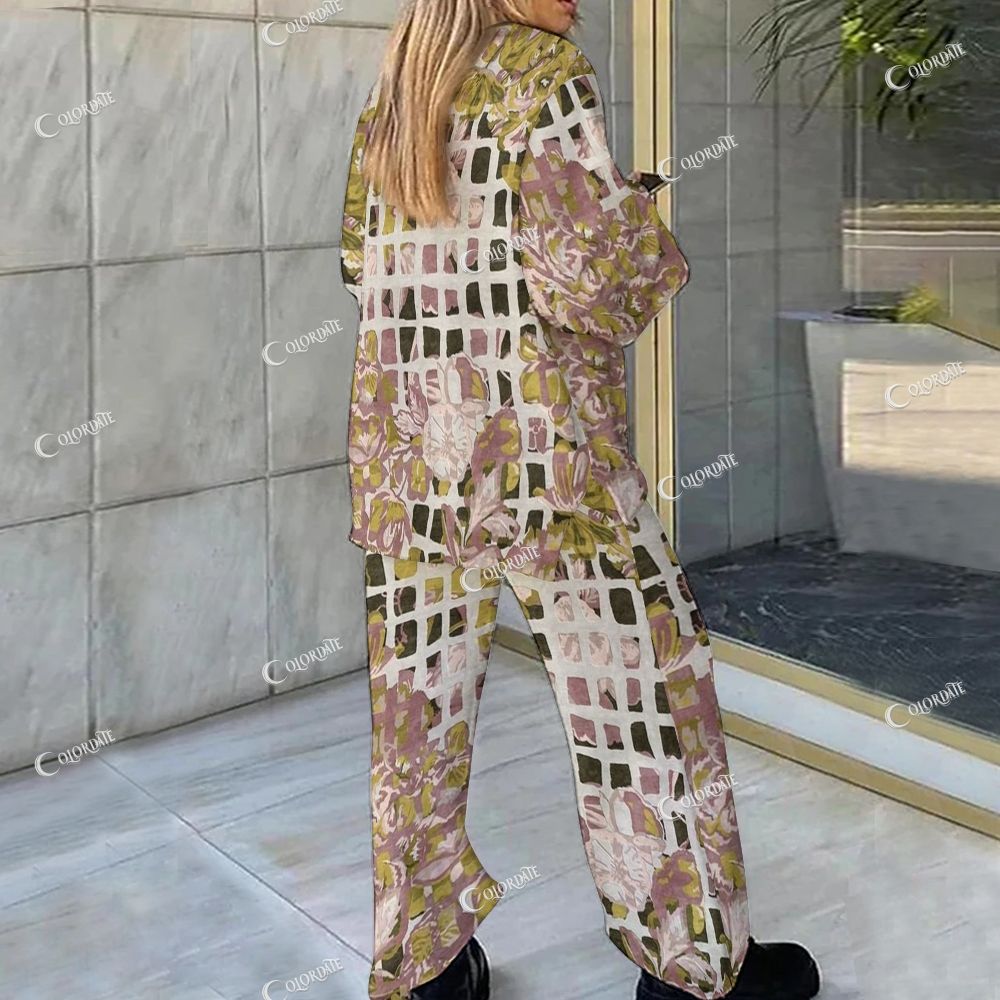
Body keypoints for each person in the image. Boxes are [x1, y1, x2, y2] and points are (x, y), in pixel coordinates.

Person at [340, 1, 821, 998]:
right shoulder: (544, 73)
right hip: (550, 468)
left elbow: (360, 263)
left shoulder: (399, 89)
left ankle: (424, 968)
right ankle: (692, 968)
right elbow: (598, 282)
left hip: (409, 459)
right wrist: (637, 209)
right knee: (645, 702)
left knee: (415, 730)